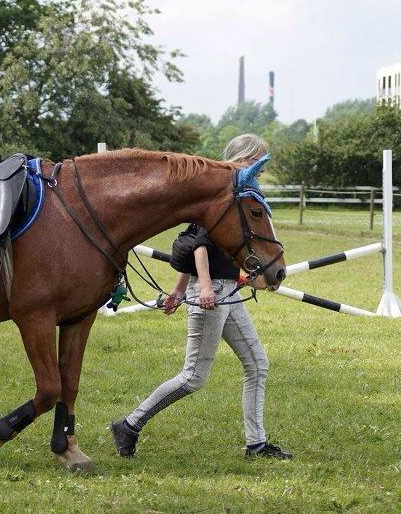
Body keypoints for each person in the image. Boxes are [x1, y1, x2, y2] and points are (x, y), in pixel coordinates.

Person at [110, 133, 292, 460]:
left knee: (257, 363)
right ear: (245, 160)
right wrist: (202, 286)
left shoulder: (236, 195)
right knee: (193, 377)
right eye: (257, 163)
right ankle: (129, 424)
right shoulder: (220, 194)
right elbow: (198, 246)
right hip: (212, 292)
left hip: (227, 290)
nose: (260, 173)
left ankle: (257, 443)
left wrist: (181, 289)